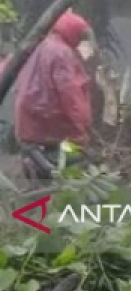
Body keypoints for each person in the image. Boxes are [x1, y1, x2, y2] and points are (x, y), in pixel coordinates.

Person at [12, 11, 94, 179]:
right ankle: (52, 171)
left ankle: (36, 160)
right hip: (49, 119)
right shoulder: (62, 52)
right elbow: (69, 94)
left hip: (29, 118)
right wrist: (81, 126)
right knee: (80, 154)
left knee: (41, 147)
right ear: (73, 33)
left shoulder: (40, 45)